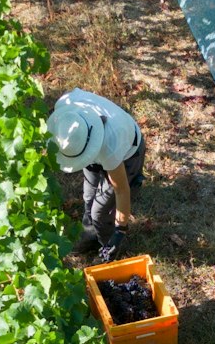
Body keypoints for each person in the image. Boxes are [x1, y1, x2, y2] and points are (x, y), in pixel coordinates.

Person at [47, 88, 145, 261]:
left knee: (101, 210)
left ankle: (108, 248)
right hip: (93, 140)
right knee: (89, 195)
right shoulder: (65, 109)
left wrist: (120, 231)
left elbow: (121, 190)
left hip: (128, 152)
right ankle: (90, 235)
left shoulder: (111, 146)